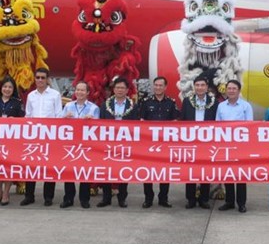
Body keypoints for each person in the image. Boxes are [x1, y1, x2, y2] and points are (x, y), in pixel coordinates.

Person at [21, 67, 61, 206]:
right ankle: (29, 195)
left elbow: (58, 116)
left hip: (50, 137)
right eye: (37, 77)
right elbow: (28, 115)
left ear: (47, 79)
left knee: (49, 167)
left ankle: (48, 197)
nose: (40, 80)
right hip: (33, 136)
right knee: (31, 166)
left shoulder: (55, 95)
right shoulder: (31, 95)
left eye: (43, 78)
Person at [138, 76, 180, 208]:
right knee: (148, 172)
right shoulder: (145, 102)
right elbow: (140, 121)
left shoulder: (171, 102)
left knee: (164, 172)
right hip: (148, 143)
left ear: (165, 87)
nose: (157, 87)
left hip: (166, 144)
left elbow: (176, 122)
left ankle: (163, 198)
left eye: (160, 85)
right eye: (155, 85)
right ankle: (148, 198)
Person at [60, 80, 100, 208]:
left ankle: (84, 199)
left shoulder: (94, 108)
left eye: (82, 90)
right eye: (77, 89)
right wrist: (64, 118)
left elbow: (99, 127)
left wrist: (91, 121)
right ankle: (68, 198)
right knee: (68, 171)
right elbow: (59, 124)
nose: (79, 92)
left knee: (84, 171)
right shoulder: (68, 106)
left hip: (86, 144)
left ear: (88, 92)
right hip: (70, 144)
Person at [98, 77, 137, 208]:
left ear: (127, 90)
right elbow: (99, 124)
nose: (120, 90)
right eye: (117, 87)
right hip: (108, 143)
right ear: (113, 89)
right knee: (107, 171)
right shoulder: (105, 105)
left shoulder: (133, 106)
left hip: (125, 143)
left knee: (123, 170)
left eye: (122, 88)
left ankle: (122, 198)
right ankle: (106, 198)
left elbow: (137, 126)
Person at [215, 80, 253, 213]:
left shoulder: (246, 106)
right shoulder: (221, 106)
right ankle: (229, 201)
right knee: (228, 174)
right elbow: (217, 125)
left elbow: (250, 127)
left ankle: (241, 203)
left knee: (241, 176)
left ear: (239, 90)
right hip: (225, 146)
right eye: (229, 88)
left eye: (234, 88)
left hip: (240, 146)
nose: (231, 90)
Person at [181, 76, 218, 209]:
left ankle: (204, 198)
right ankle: (190, 199)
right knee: (190, 170)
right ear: (194, 86)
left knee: (205, 170)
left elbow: (217, 122)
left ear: (207, 87)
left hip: (207, 142)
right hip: (190, 141)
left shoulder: (214, 102)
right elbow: (183, 120)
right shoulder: (187, 101)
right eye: (197, 85)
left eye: (202, 85)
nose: (200, 87)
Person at [0, 77, 24, 205]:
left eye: (10, 87)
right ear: (1, 88)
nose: (7, 89)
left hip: (11, 141)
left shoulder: (17, 102)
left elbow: (23, 120)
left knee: (8, 167)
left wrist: (16, 119)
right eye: (5, 86)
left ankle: (6, 193)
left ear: (13, 89)